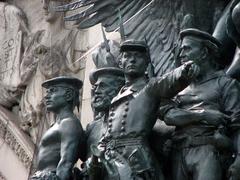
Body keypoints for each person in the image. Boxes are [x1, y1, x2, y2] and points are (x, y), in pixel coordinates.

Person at [93, 39, 199, 180]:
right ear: (120, 62)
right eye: (128, 56)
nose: (132, 60)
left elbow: (168, 81)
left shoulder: (150, 87)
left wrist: (184, 71)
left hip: (136, 159)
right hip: (113, 160)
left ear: (147, 62)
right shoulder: (116, 96)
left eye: (138, 56)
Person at [162, 28, 240, 180]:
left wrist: (239, 159)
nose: (181, 54)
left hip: (208, 152)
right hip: (178, 154)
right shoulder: (179, 88)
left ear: (204, 52)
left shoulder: (226, 84)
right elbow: (168, 117)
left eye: (187, 48)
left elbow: (238, 127)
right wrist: (203, 115)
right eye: (181, 49)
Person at [31, 76, 85, 180]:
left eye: (52, 91)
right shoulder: (57, 124)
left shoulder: (69, 124)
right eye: (47, 92)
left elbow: (66, 163)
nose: (46, 96)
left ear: (68, 95)